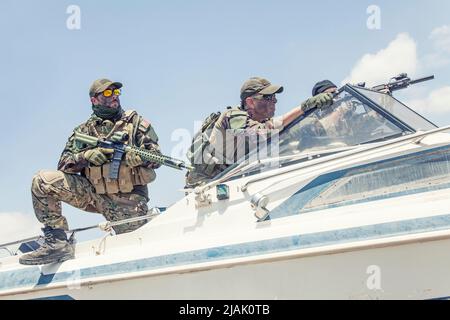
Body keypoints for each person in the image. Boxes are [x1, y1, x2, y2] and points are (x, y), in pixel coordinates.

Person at [20, 79, 161, 265]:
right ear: (94, 100)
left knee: (138, 250)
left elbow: (157, 157)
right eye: (108, 94)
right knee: (42, 181)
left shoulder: (135, 124)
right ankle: (57, 242)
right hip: (92, 194)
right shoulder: (83, 131)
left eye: (116, 93)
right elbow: (63, 165)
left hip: (126, 200)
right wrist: (86, 156)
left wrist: (140, 158)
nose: (114, 98)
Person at [185, 77, 334, 188]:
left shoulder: (262, 122)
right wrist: (304, 106)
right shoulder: (232, 116)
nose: (274, 101)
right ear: (250, 102)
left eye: (274, 97)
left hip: (231, 181)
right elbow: (261, 133)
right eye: (268, 97)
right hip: (204, 185)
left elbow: (283, 135)